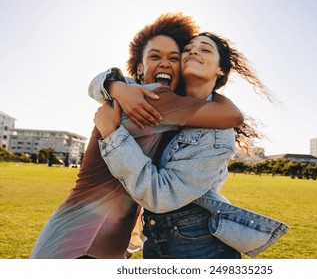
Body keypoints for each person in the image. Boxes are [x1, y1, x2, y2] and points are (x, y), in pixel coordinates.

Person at [30, 13, 244, 259]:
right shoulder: (155, 98)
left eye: (173, 58)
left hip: (94, 242)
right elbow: (232, 116)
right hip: (79, 243)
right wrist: (116, 88)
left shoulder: (156, 102)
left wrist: (113, 85)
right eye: (155, 56)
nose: (165, 63)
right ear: (140, 67)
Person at [93, 32, 289, 259]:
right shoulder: (161, 98)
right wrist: (115, 86)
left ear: (221, 70)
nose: (194, 51)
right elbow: (98, 83)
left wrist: (112, 134)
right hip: (156, 238)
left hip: (198, 245)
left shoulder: (218, 135)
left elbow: (161, 195)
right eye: (188, 49)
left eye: (205, 49)